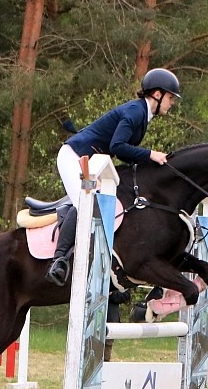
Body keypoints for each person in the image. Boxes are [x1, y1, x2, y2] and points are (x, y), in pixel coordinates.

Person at [45, 68, 182, 286]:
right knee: (87, 204)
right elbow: (117, 147)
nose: (172, 103)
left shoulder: (142, 114)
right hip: (73, 156)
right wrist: (151, 155)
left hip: (92, 161)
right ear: (157, 94)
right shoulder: (136, 112)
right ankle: (59, 260)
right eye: (171, 97)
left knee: (103, 203)